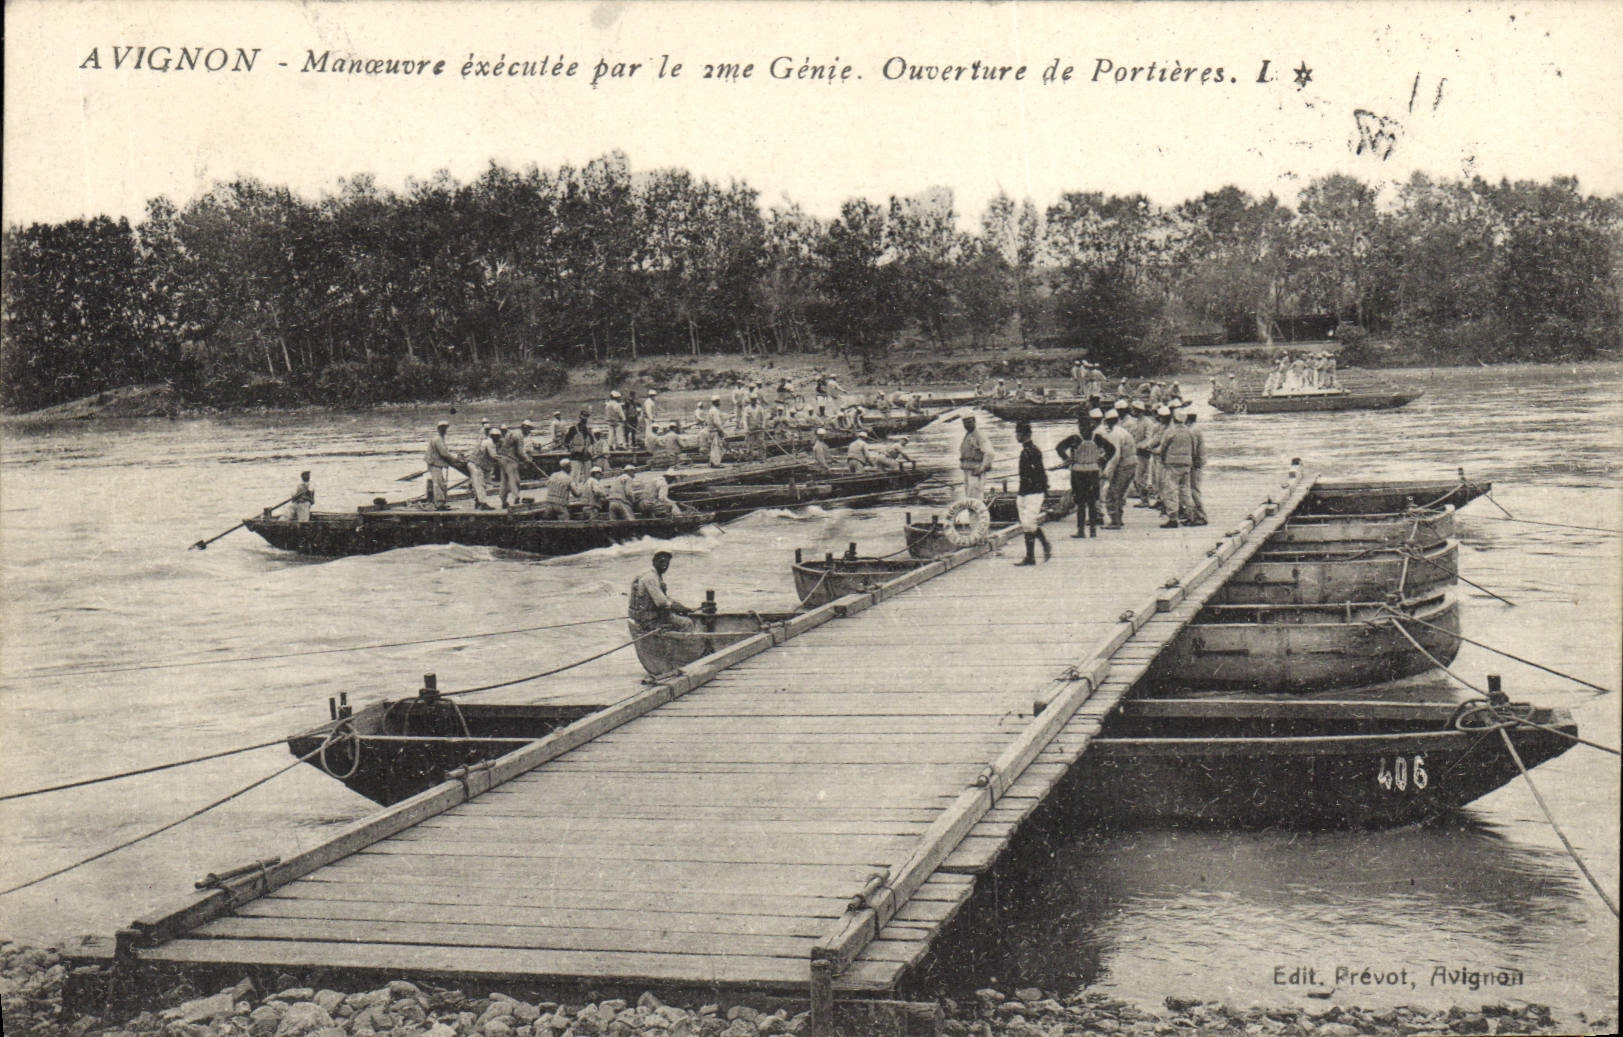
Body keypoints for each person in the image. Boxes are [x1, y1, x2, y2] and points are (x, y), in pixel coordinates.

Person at [1053, 410, 1103, 538]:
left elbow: (1059, 447)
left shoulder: (1075, 438)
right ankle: (1092, 530)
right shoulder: (1096, 438)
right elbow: (1111, 449)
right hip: (1093, 471)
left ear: (1079, 426)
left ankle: (1081, 530)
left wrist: (1067, 459)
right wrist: (1101, 459)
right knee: (1092, 502)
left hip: (1079, 472)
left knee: (1080, 503)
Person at [1013, 422, 1052, 566]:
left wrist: (1044, 490)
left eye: (1018, 433)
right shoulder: (1027, 451)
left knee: (1029, 523)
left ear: (1025, 435)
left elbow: (1041, 472)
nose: (1016, 436)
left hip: (1033, 492)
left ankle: (1045, 544)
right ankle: (1030, 556)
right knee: (1025, 524)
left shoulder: (1033, 451)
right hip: (1024, 491)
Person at [629, 550, 696, 633]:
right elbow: (661, 603)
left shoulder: (651, 574)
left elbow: (664, 598)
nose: (664, 565)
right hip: (648, 621)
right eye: (661, 562)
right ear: (654, 562)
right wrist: (680, 608)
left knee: (680, 616)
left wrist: (681, 607)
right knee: (687, 623)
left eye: (667, 563)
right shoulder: (650, 578)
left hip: (643, 617)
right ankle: (684, 645)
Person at [1158, 408, 1197, 528]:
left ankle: (1173, 518)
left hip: (1172, 463)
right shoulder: (1190, 432)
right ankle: (1191, 515)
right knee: (1186, 490)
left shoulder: (1170, 431)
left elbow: (1163, 447)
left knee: (1171, 490)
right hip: (1186, 463)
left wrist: (1163, 459)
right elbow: (1194, 448)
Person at [1099, 409, 1137, 529]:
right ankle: (1118, 518)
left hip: (1124, 466)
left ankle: (1115, 521)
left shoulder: (1114, 434)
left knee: (1112, 494)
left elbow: (1115, 456)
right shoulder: (1122, 431)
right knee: (1119, 494)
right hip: (1131, 464)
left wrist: (1106, 472)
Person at [424, 421, 462, 510]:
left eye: (445, 428)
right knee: (438, 483)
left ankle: (440, 502)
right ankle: (439, 504)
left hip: (437, 464)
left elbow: (444, 453)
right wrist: (455, 460)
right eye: (443, 428)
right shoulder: (437, 439)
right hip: (434, 464)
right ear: (439, 429)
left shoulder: (441, 438)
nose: (444, 430)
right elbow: (444, 453)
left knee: (440, 482)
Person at [959, 415, 993, 501]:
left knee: (975, 499)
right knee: (969, 498)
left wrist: (981, 468)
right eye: (965, 423)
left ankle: (976, 514)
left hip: (976, 472)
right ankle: (972, 514)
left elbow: (989, 453)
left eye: (969, 422)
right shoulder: (968, 435)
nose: (967, 425)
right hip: (967, 471)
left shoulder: (979, 435)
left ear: (974, 421)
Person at [1184, 410, 1208, 525]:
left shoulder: (1191, 431)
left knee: (1193, 490)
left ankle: (1200, 516)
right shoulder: (1196, 429)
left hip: (1194, 464)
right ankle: (1194, 515)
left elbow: (1193, 449)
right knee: (1193, 490)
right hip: (1197, 462)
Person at [470, 427, 502, 509]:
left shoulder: (486, 441)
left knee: (478, 484)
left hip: (478, 464)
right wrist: (505, 459)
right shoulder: (489, 443)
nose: (498, 439)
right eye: (497, 437)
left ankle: (477, 502)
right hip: (476, 465)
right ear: (493, 436)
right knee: (480, 484)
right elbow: (493, 456)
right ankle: (482, 503)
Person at [498, 423, 527, 509]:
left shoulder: (512, 433)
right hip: (510, 460)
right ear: (525, 428)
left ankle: (503, 500)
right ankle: (516, 498)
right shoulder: (519, 435)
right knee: (514, 479)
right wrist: (527, 459)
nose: (529, 432)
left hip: (502, 459)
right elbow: (520, 452)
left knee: (504, 481)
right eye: (529, 429)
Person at [562, 407, 594, 481]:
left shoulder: (588, 430)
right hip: (576, 455)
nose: (584, 421)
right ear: (580, 419)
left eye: (585, 419)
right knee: (574, 475)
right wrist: (572, 449)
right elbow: (566, 442)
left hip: (586, 455)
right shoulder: (573, 429)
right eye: (583, 419)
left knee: (588, 476)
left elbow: (592, 442)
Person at [703, 396, 727, 466]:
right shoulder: (715, 411)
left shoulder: (711, 410)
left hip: (710, 431)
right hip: (715, 431)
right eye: (719, 401)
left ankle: (712, 462)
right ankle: (716, 463)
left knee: (713, 448)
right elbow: (717, 422)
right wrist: (721, 431)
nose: (720, 403)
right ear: (716, 402)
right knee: (717, 448)